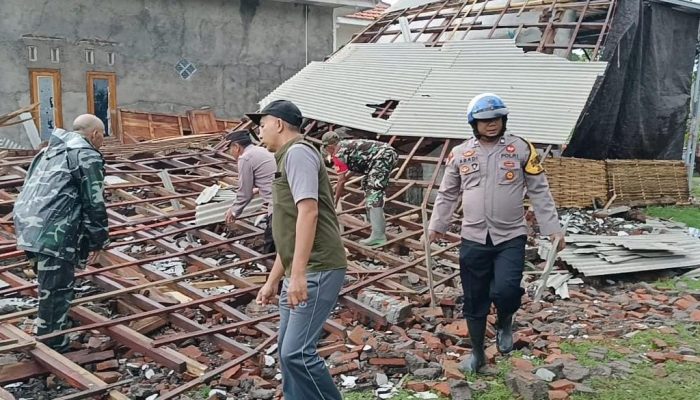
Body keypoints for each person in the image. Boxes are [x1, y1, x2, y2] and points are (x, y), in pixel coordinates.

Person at [427, 93, 565, 373]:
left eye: (496, 119)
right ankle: (477, 354)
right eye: (484, 120)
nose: (491, 124)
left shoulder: (522, 148)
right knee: (474, 299)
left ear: (504, 120)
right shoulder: (460, 153)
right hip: (474, 238)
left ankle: (505, 321)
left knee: (506, 290)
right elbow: (447, 193)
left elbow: (540, 190)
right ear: (473, 123)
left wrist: (552, 228)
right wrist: (436, 226)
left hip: (510, 236)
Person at [247, 100, 347, 400]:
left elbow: (309, 213)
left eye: (262, 124)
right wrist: (273, 279)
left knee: (297, 354)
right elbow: (291, 232)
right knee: (286, 351)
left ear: (278, 124)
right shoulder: (286, 157)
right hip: (301, 268)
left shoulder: (299, 153)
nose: (259, 131)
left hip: (317, 266)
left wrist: (299, 274)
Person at [13, 114, 110, 351]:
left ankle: (54, 325)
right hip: (54, 232)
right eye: (103, 137)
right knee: (56, 291)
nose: (103, 142)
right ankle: (53, 344)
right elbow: (93, 202)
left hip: (28, 227)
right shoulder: (85, 155)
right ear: (95, 134)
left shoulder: (49, 151)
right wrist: (99, 240)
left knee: (50, 286)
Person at [320, 132, 398, 247]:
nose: (328, 153)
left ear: (330, 147)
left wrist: (335, 202)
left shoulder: (338, 154)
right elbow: (356, 165)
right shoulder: (346, 145)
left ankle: (378, 235)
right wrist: (345, 178)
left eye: (327, 150)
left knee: (373, 193)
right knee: (366, 183)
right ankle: (375, 226)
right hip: (385, 155)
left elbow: (341, 181)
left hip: (382, 158)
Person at [223, 130, 276, 254]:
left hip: (278, 205)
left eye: (230, 149)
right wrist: (259, 188)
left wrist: (234, 211)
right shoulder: (261, 150)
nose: (230, 153)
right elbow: (269, 176)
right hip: (288, 198)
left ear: (236, 147)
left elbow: (244, 193)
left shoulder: (245, 158)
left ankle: (271, 270)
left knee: (271, 245)